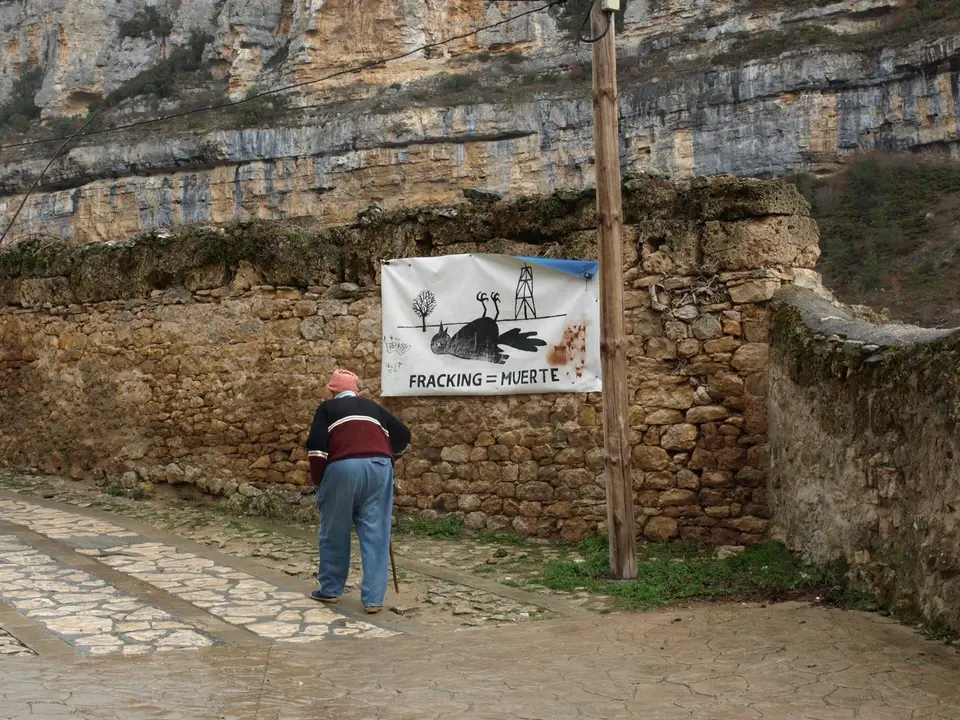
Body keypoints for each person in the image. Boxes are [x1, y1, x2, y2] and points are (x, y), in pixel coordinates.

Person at [306, 368, 411, 614]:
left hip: (344, 468)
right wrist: (389, 456)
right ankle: (374, 599)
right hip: (379, 467)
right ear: (356, 391)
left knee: (335, 529)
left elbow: (317, 448)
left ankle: (331, 590)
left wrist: (319, 480)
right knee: (376, 532)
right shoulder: (372, 407)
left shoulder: (327, 409)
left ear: (332, 390)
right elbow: (404, 434)